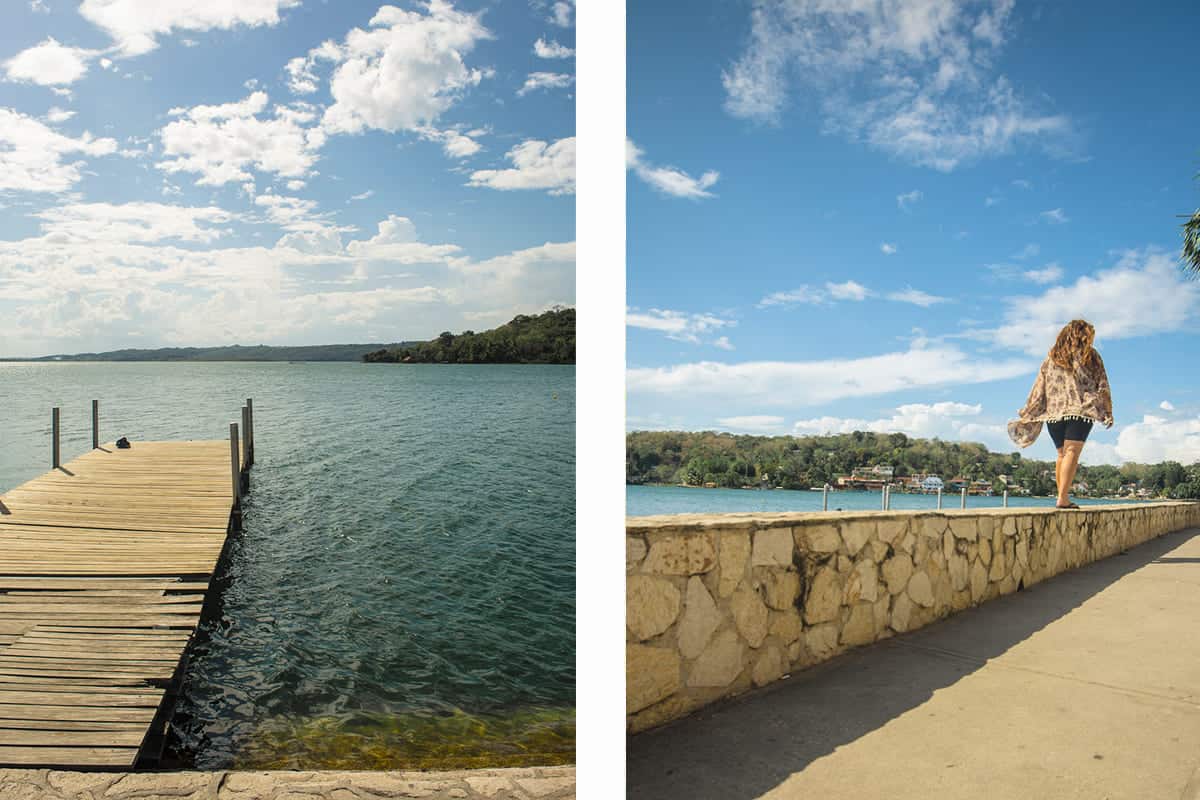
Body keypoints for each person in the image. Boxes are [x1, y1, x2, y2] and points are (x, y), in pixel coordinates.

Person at [1008, 319, 1113, 509]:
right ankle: (1063, 498)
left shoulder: (1052, 357)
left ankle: (1061, 496)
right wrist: (1108, 411)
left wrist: (1030, 410)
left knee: (1062, 454)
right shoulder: (1091, 355)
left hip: (1054, 414)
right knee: (1072, 451)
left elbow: (1039, 386)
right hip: (1080, 410)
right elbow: (1103, 384)